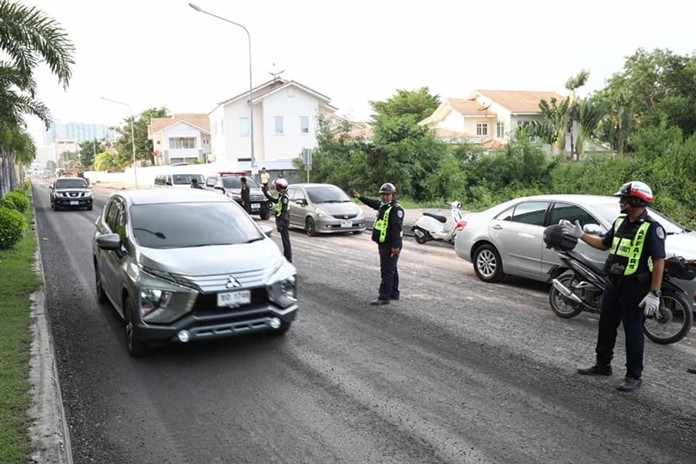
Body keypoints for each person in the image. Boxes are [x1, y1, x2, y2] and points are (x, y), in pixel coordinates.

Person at [566, 181, 666, 392]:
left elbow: (659, 261)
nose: (620, 202)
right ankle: (603, 365)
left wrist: (654, 293)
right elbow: (604, 244)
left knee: (633, 331)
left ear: (635, 201)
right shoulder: (620, 222)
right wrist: (581, 235)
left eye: (624, 198)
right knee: (606, 325)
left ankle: (633, 375)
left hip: (635, 288)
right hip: (613, 283)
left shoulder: (652, 228)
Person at [352, 183, 404, 305]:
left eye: (387, 195)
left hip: (390, 245)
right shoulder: (383, 206)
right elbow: (372, 203)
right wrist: (360, 197)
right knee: (392, 269)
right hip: (384, 243)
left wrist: (396, 246)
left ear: (393, 195)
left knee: (387, 270)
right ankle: (393, 293)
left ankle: (384, 297)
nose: (384, 197)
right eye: (382, 195)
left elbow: (397, 229)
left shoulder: (396, 209)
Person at [263, 178, 291, 262]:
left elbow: (284, 211)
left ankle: (288, 259)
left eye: (277, 186)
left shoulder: (284, 197)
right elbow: (275, 201)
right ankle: (287, 258)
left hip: (283, 221)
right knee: (285, 241)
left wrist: (280, 224)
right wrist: (266, 193)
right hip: (281, 220)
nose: (276, 187)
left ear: (279, 187)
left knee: (286, 242)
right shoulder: (281, 195)